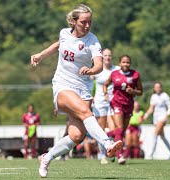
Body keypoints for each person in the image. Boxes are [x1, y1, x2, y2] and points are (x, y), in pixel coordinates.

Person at [30, 4, 122, 178]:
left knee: (76, 135)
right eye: (83, 22)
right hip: (62, 85)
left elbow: (99, 65)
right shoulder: (64, 33)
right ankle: (107, 143)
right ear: (73, 21)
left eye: (90, 22)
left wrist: (91, 70)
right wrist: (41, 55)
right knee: (86, 112)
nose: (87, 26)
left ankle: (46, 157)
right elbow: (58, 45)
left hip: (83, 89)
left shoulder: (93, 41)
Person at [103, 54, 143, 165]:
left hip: (129, 105)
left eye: (128, 62)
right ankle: (120, 156)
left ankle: (109, 134)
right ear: (119, 63)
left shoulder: (135, 75)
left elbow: (140, 91)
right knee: (120, 129)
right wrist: (106, 93)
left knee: (122, 132)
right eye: (123, 62)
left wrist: (133, 91)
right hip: (116, 103)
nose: (126, 64)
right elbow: (105, 84)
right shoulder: (114, 74)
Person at [91, 48, 119, 164]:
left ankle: (111, 151)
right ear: (102, 57)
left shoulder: (116, 69)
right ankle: (102, 154)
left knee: (113, 129)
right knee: (100, 129)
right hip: (99, 103)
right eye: (105, 55)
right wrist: (90, 96)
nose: (108, 57)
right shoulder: (98, 69)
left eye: (109, 55)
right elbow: (88, 82)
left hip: (114, 102)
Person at [143, 82, 170, 159]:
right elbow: (151, 108)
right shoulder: (153, 96)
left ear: (161, 88)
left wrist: (166, 115)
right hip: (156, 118)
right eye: (156, 87)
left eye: (159, 87)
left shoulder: (165, 96)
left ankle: (151, 154)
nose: (157, 88)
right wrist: (145, 115)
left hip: (162, 117)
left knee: (155, 134)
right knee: (162, 137)